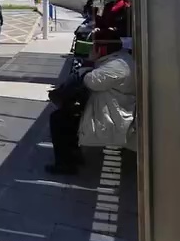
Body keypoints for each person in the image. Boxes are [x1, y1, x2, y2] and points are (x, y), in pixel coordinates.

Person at [46, 28, 134, 175]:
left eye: (94, 46)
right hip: (112, 107)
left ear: (102, 48)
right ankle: (73, 155)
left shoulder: (117, 66)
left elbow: (90, 81)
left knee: (59, 119)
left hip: (114, 115)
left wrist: (90, 61)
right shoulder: (120, 59)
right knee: (68, 114)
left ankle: (65, 164)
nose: (91, 49)